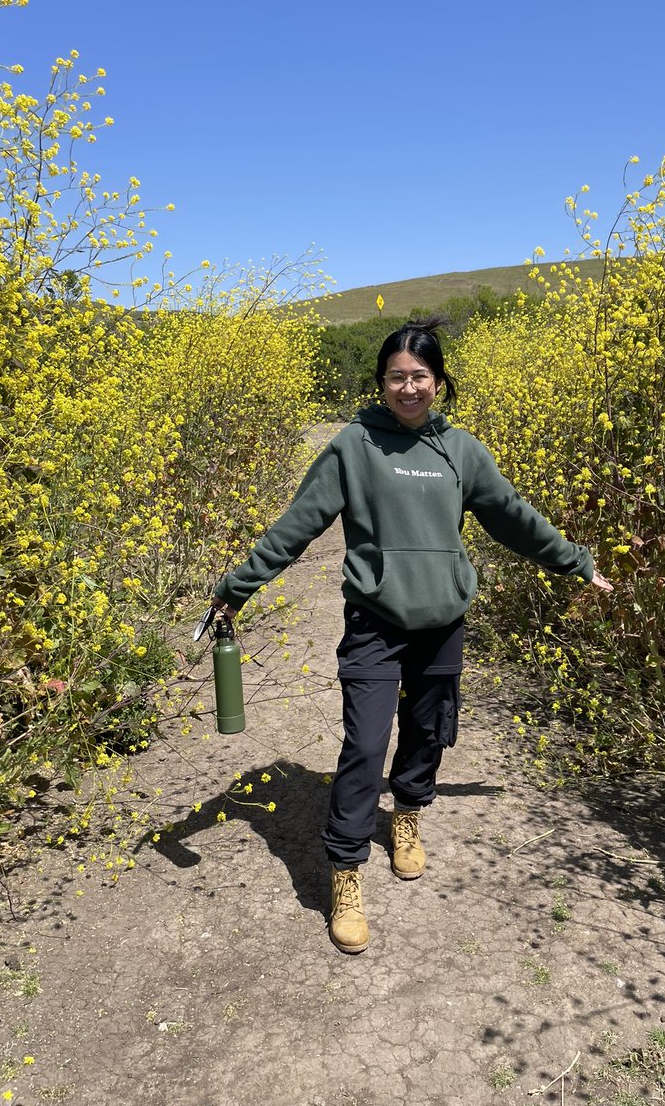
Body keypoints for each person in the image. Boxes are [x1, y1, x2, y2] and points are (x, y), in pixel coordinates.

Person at [211, 316, 612, 954]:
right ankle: (346, 873)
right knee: (365, 746)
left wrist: (575, 562)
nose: (408, 388)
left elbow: (512, 517)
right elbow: (299, 524)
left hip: (442, 622)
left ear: (439, 382)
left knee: (428, 732)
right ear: (381, 383)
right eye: (396, 377)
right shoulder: (353, 446)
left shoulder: (462, 451)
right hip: (374, 623)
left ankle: (408, 816)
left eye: (419, 376)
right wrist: (241, 583)